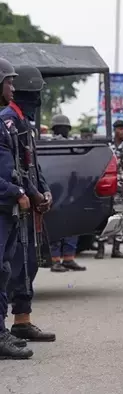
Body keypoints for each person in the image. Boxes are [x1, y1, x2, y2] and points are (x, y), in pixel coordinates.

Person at [0, 64, 56, 344]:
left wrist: (43, 191)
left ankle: (22, 321)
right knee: (15, 264)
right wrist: (31, 193)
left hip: (27, 202)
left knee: (28, 262)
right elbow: (14, 170)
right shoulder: (9, 120)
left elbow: (33, 164)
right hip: (15, 201)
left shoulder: (24, 122)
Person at [0, 58, 34, 359]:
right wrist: (17, 191)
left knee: (4, 269)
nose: (14, 87)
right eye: (9, 82)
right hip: (3, 203)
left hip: (6, 206)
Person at [46, 115, 86, 272]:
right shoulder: (51, 145)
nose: (61, 131)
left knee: (72, 226)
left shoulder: (74, 144)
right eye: (59, 128)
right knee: (56, 226)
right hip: (55, 189)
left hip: (70, 190)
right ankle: (55, 260)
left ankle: (68, 258)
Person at [97, 120, 123, 259]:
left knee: (121, 216)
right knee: (104, 216)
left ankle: (116, 249)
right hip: (107, 185)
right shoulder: (107, 147)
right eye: (120, 129)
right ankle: (100, 248)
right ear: (114, 130)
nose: (122, 132)